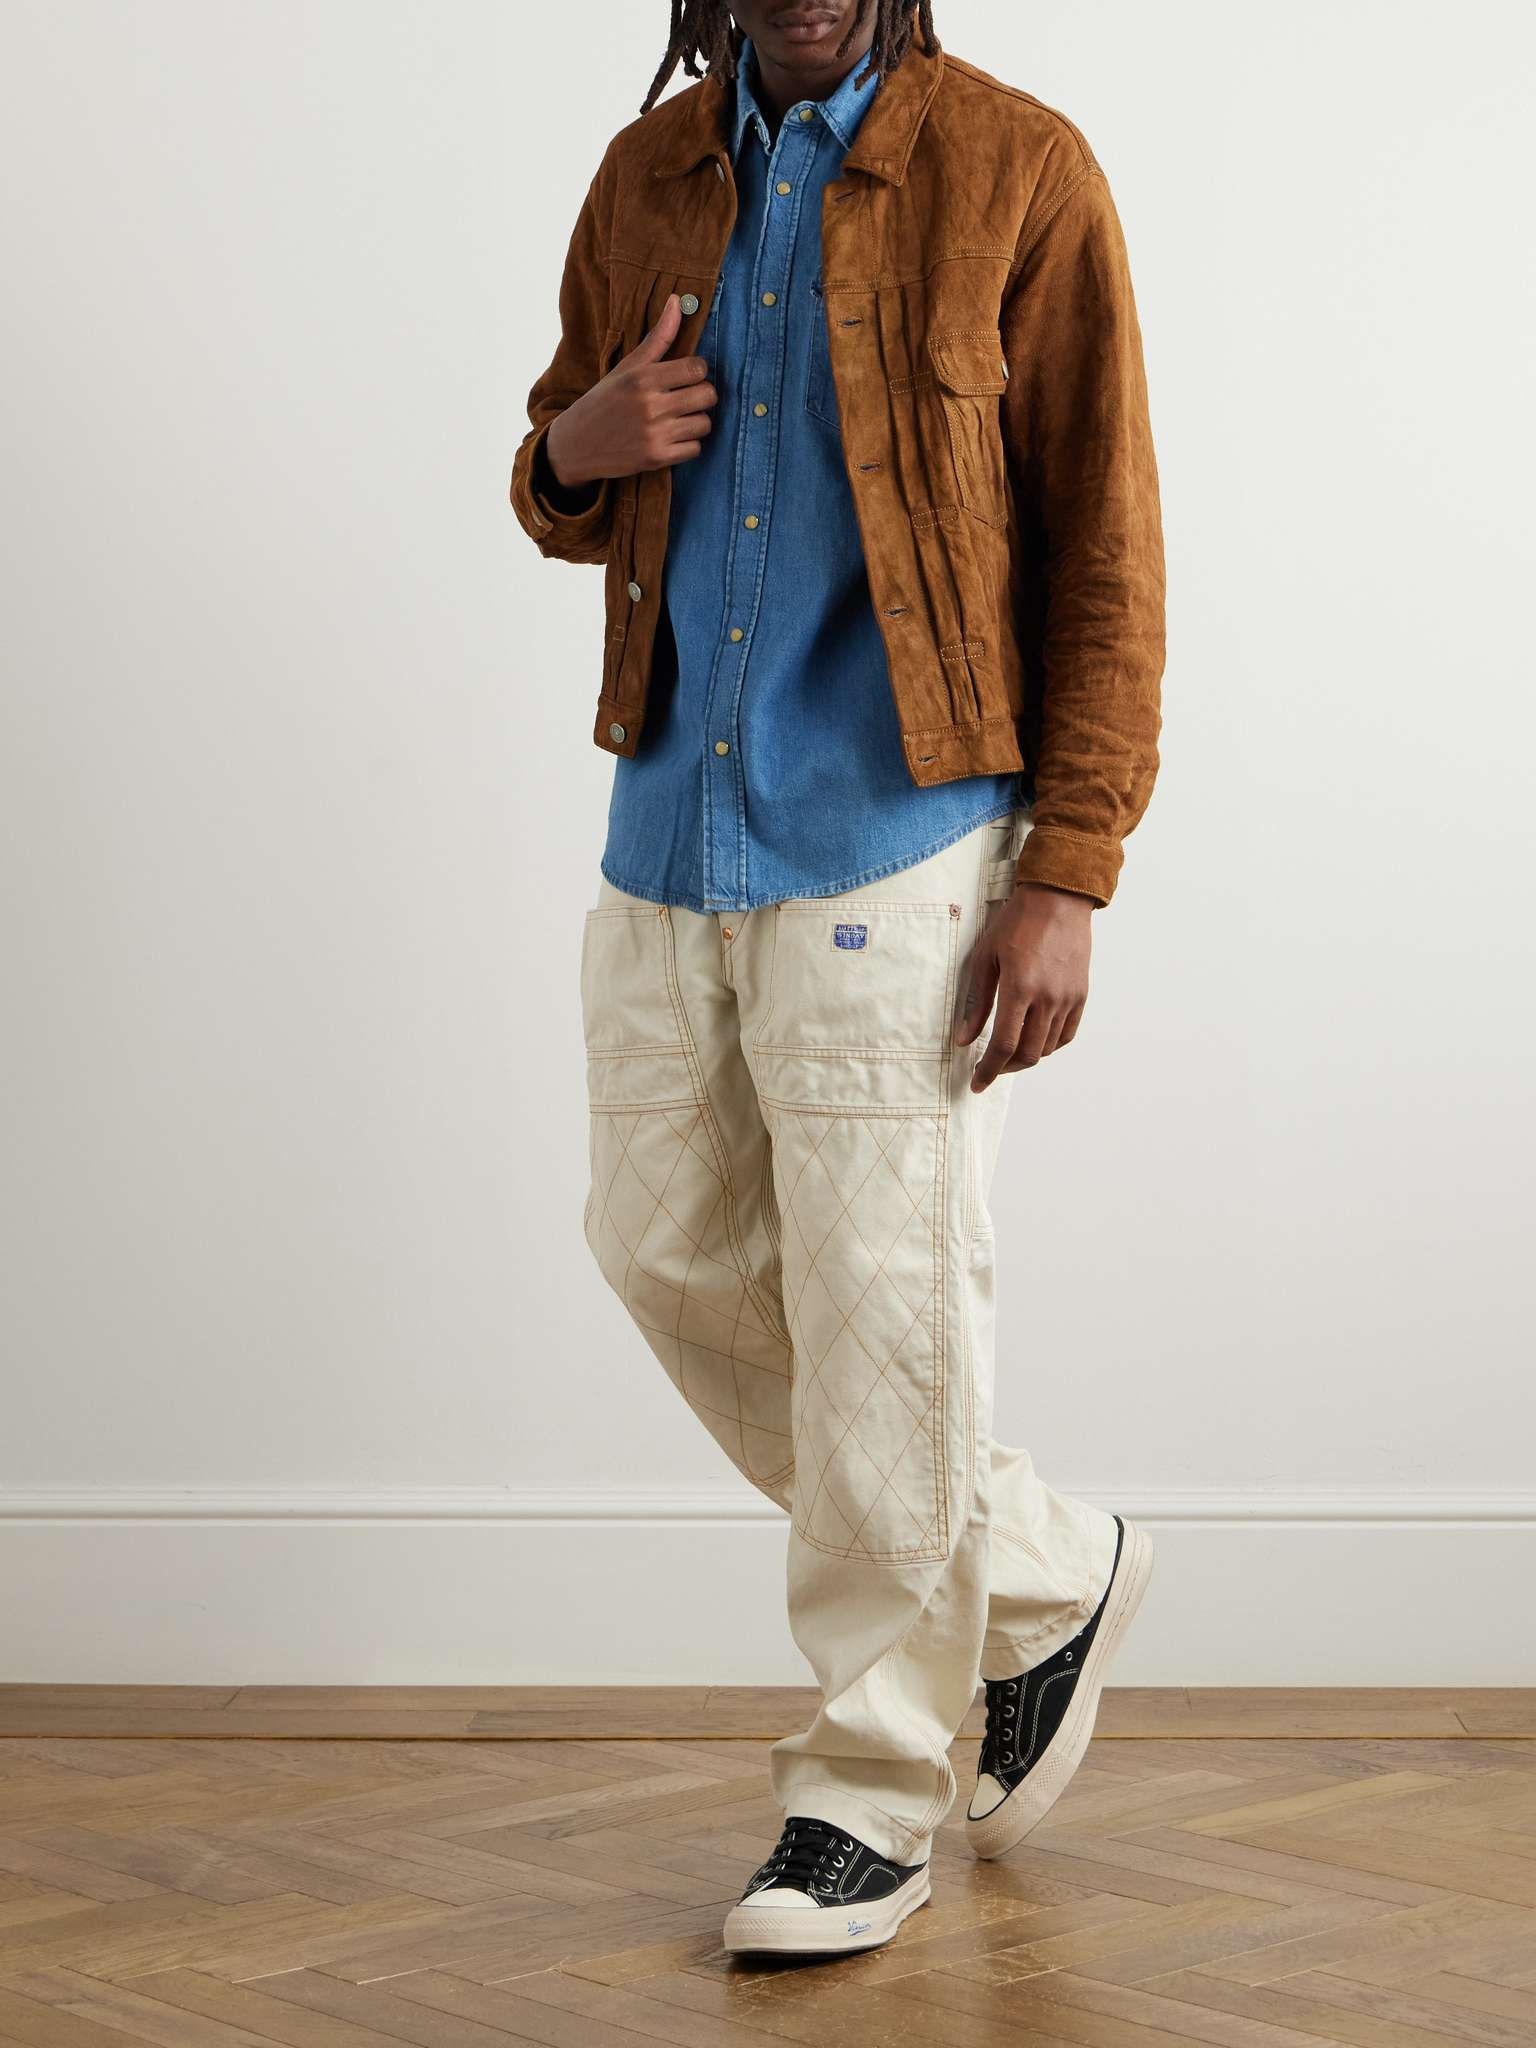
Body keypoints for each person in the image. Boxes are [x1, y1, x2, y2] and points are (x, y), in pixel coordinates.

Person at [510, 0, 1164, 1959]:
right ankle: (1038, 1568)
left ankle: (865, 1791)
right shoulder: (646, 176)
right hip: (669, 821)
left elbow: (1107, 546)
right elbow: (555, 471)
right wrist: (575, 449)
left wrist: (1070, 867)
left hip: (899, 834)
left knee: (884, 1317)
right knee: (660, 1248)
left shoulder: (1018, 168)